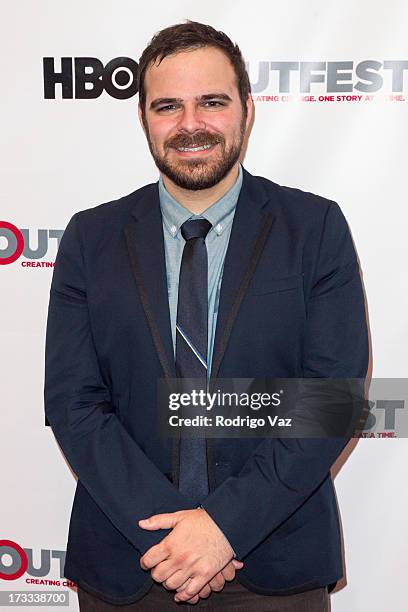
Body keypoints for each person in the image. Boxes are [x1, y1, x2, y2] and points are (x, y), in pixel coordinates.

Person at [44, 20, 369, 611]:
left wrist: (223, 527)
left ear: (247, 108)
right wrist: (175, 538)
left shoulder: (314, 228)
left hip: (274, 560)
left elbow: (332, 398)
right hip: (130, 560)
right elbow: (74, 402)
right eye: (168, 106)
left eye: (211, 102)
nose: (190, 124)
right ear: (143, 117)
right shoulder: (90, 238)